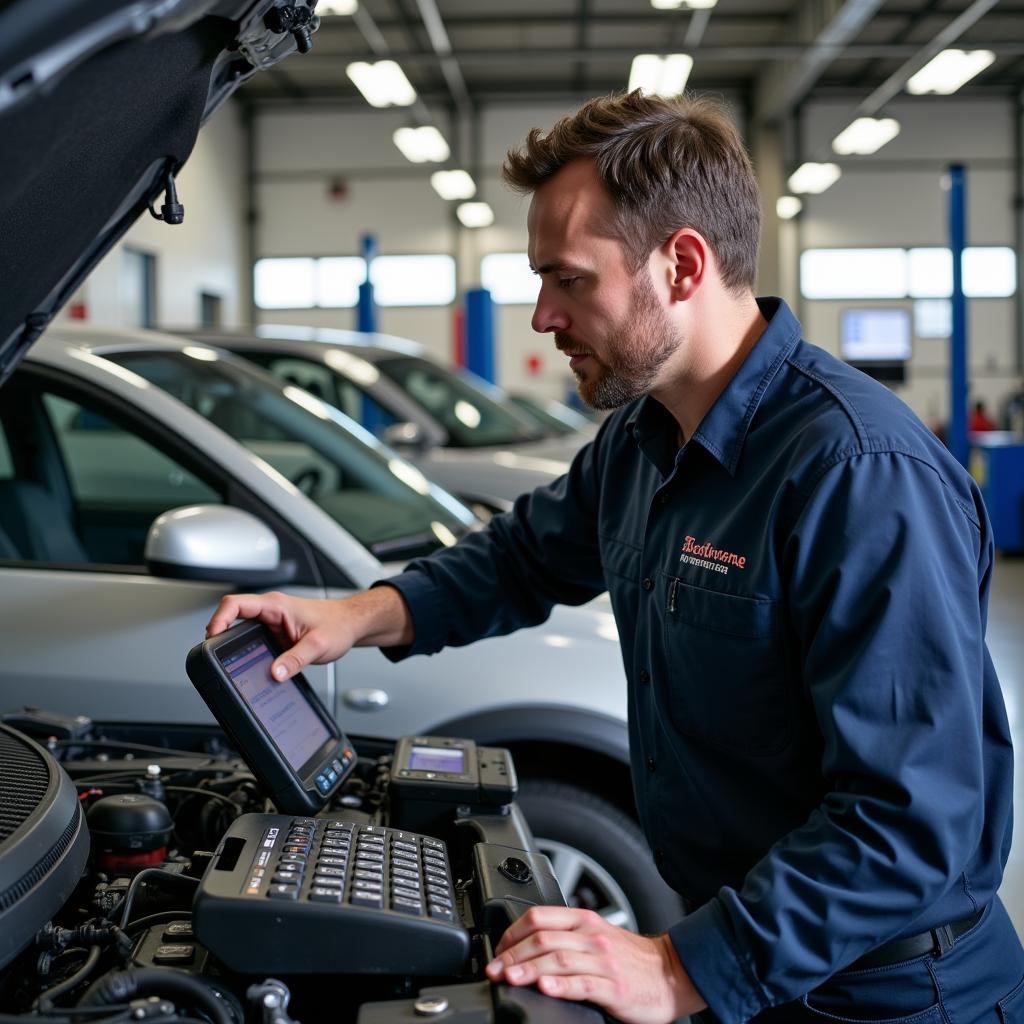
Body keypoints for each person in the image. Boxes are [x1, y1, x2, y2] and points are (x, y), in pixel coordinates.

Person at [208, 93, 1024, 1023]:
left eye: (569, 280)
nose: (543, 317)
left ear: (681, 264)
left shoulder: (856, 473)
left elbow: (909, 818)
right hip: (758, 961)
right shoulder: (647, 436)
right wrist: (354, 615)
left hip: (891, 995)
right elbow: (521, 558)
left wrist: (679, 970)